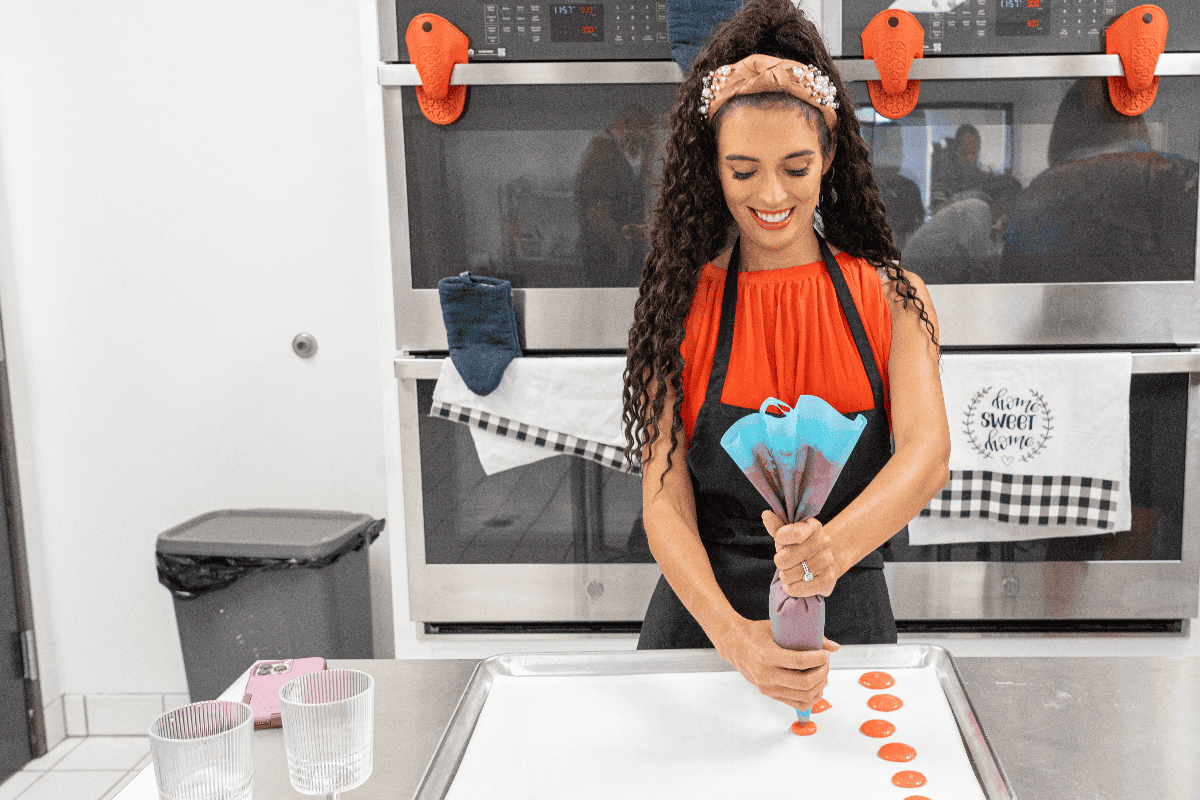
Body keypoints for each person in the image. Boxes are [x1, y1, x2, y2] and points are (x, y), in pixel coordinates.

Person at [620, 0, 949, 716]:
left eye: (795, 167)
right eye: (743, 172)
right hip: (701, 623)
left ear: (829, 159)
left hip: (847, 615)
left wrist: (830, 550)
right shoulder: (677, 306)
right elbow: (664, 503)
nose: (771, 196)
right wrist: (735, 639)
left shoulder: (891, 295)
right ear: (712, 169)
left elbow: (926, 457)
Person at [1002, 77, 1198, 283]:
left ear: (1064, 129)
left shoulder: (1035, 192)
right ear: (1134, 122)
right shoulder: (1173, 173)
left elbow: (1011, 283)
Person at [575, 104, 657, 287]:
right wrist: (622, 252)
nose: (648, 139)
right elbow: (596, 214)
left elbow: (635, 194)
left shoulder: (614, 154)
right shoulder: (604, 156)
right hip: (607, 259)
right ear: (631, 127)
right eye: (646, 133)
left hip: (613, 257)